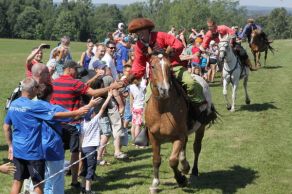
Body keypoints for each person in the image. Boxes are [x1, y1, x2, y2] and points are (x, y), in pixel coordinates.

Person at [3, 77, 91, 194]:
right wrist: (78, 112)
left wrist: (10, 145)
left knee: (17, 181)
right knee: (38, 185)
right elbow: (56, 115)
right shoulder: (34, 106)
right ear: (33, 89)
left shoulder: (14, 104)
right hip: (33, 152)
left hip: (18, 151)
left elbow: (6, 127)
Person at [127, 18, 216, 131]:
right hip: (156, 74)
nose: (140, 34)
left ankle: (201, 111)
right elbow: (138, 65)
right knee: (146, 100)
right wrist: (128, 78)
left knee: (191, 83)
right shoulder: (139, 45)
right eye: (137, 32)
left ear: (148, 30)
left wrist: (167, 54)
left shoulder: (161, 35)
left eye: (142, 31)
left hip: (174, 66)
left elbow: (178, 45)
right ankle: (147, 128)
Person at [50, 60, 123, 188]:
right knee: (75, 152)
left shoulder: (54, 83)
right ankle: (74, 181)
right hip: (73, 123)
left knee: (58, 152)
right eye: (76, 69)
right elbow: (93, 93)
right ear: (70, 69)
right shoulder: (75, 83)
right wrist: (112, 87)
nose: (78, 71)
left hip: (56, 123)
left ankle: (54, 181)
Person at [80, 91, 113, 194]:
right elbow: (103, 108)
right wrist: (109, 97)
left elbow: (81, 137)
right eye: (93, 112)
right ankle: (88, 190)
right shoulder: (94, 121)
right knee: (90, 169)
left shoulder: (83, 123)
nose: (94, 112)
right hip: (91, 149)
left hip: (83, 148)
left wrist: (92, 99)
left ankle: (82, 188)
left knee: (84, 168)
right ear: (92, 115)